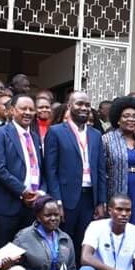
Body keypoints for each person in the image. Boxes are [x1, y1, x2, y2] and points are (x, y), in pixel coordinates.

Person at [44, 90, 108, 256]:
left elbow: (101, 170)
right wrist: (56, 201)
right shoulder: (56, 132)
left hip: (89, 198)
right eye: (79, 104)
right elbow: (51, 170)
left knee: (85, 242)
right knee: (64, 242)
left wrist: (101, 201)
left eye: (87, 105)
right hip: (66, 198)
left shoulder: (95, 135)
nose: (84, 108)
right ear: (70, 106)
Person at [0, 93, 45, 247]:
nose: (28, 112)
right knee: (5, 251)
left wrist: (39, 192)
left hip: (32, 205)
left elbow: (40, 168)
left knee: (28, 250)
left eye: (31, 109)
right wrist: (23, 191)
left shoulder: (34, 136)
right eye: (23, 108)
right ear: (12, 110)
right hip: (8, 204)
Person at [102, 96, 135, 231]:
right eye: (126, 116)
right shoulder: (106, 140)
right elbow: (101, 171)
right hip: (115, 189)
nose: (131, 119)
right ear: (118, 120)